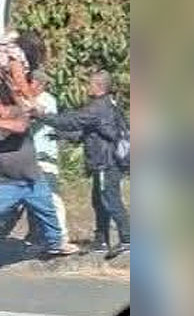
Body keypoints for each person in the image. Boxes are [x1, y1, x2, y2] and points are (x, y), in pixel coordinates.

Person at [0, 82, 79, 256]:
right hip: (7, 181)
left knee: (47, 211)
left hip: (32, 179)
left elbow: (20, 127)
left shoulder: (18, 113)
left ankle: (56, 244)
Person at [35, 70, 130, 255]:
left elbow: (72, 121)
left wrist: (42, 116)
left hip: (107, 162)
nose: (87, 87)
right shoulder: (108, 105)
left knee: (110, 200)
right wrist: (60, 135)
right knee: (99, 201)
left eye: (90, 84)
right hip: (104, 161)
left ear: (98, 87)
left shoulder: (98, 108)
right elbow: (87, 132)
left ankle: (128, 239)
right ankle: (101, 240)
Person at [0, 70, 70, 245]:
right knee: (28, 198)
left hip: (44, 157)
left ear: (39, 84)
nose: (26, 85)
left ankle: (60, 237)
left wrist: (14, 93)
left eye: (30, 82)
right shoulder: (30, 100)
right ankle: (36, 235)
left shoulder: (46, 100)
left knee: (51, 197)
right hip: (30, 157)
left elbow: (30, 115)